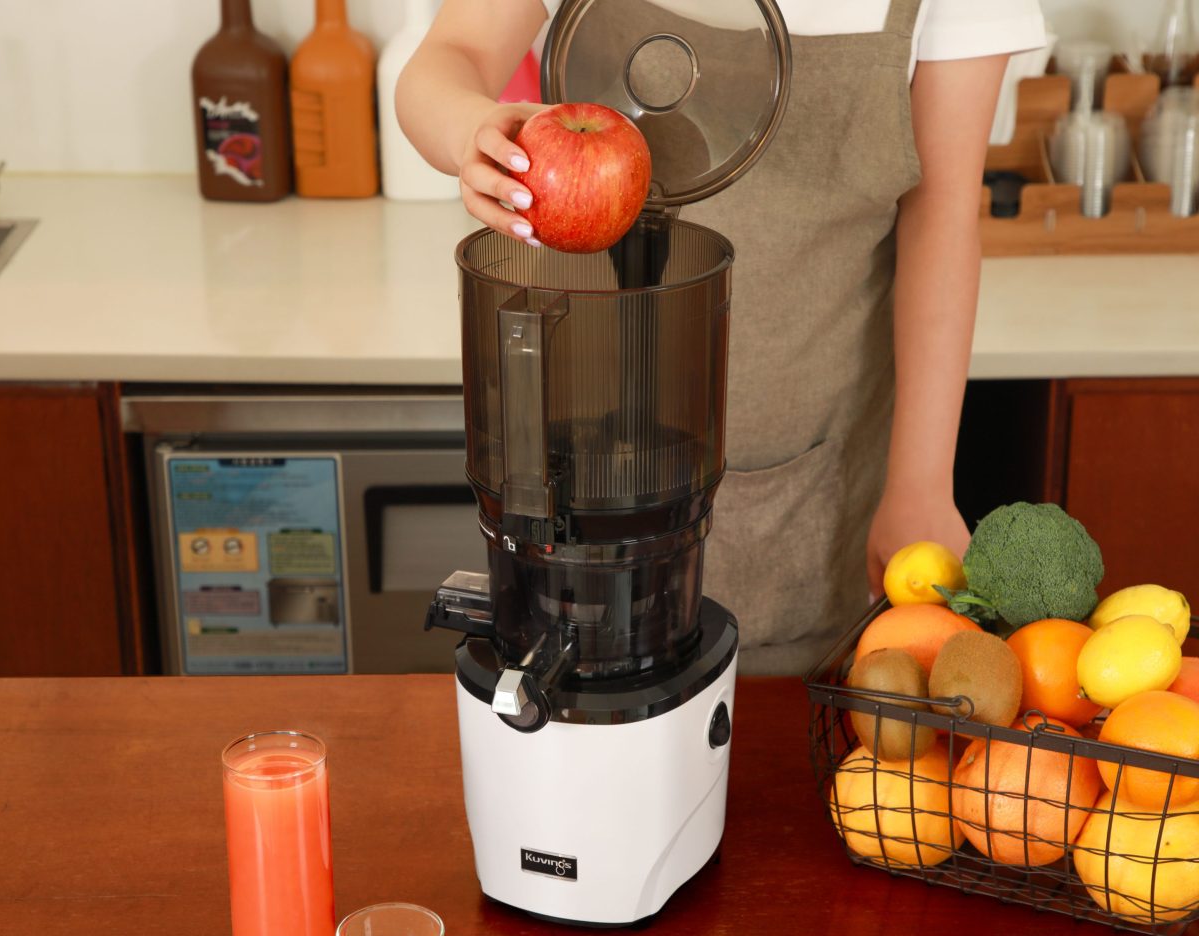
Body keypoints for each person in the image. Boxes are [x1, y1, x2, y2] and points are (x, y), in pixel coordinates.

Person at [395, 0, 1046, 675]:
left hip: (819, 486)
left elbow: (940, 215)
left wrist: (921, 485)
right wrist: (469, 126)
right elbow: (446, 61)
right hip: (591, 486)